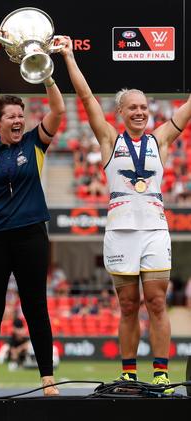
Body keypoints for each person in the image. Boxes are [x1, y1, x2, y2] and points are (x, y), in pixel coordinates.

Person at [59, 35, 191, 393]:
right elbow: (86, 99)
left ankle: (161, 373)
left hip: (153, 231)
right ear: (120, 112)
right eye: (132, 107)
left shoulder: (159, 140)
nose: (139, 112)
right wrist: (70, 57)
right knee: (129, 305)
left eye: (144, 108)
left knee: (158, 302)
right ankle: (129, 373)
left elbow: (185, 111)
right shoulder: (109, 141)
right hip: (119, 234)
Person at [0, 34, 65, 396]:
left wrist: (47, 74)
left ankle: (47, 379)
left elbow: (58, 112)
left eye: (21, 115)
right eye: (12, 116)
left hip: (30, 234)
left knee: (35, 304)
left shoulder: (35, 141)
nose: (19, 120)